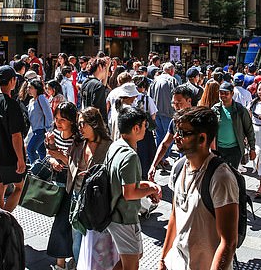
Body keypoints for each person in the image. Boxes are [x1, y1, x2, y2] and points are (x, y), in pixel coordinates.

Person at [159, 107, 239, 270]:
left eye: (182, 133)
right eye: (177, 131)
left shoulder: (221, 178)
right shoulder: (178, 167)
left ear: (202, 138)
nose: (176, 137)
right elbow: (174, 216)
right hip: (178, 263)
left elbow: (229, 242)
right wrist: (163, 259)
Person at [106, 106, 161, 270]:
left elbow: (125, 183)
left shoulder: (115, 146)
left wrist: (148, 185)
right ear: (136, 128)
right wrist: (151, 190)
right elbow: (129, 193)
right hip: (124, 216)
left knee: (134, 257)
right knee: (132, 264)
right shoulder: (130, 155)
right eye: (144, 125)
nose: (146, 129)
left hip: (117, 213)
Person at [68, 107, 113, 264]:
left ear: (94, 124)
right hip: (77, 195)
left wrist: (92, 176)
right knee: (77, 239)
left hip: (96, 199)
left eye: (83, 124)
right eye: (79, 124)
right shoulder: (79, 143)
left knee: (96, 240)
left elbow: (111, 173)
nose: (80, 128)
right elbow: (69, 161)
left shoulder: (108, 146)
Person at [0, 65, 27, 211]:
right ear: (13, 80)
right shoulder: (11, 104)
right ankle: (6, 218)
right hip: (10, 157)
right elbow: (16, 135)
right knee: (20, 187)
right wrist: (20, 159)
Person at [44, 101, 79, 270]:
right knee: (62, 220)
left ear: (71, 120)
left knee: (65, 221)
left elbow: (76, 164)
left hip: (72, 182)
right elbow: (48, 155)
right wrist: (52, 159)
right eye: (57, 118)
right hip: (58, 180)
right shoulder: (55, 134)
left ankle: (62, 262)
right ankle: (63, 260)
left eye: (62, 119)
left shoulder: (77, 139)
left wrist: (58, 155)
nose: (58, 122)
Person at [148, 85, 194, 181]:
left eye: (179, 103)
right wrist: (154, 165)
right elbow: (165, 144)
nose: (176, 106)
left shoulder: (199, 120)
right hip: (184, 167)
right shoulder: (175, 121)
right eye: (174, 103)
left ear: (189, 101)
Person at [211, 82, 257, 169]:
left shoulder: (240, 110)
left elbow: (249, 130)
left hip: (235, 150)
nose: (223, 95)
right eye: (221, 93)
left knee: (232, 175)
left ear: (232, 94)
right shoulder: (215, 110)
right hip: (218, 149)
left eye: (226, 93)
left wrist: (252, 148)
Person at [148, 62, 179, 169]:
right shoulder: (172, 80)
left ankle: (159, 158)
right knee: (169, 136)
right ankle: (163, 157)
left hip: (156, 112)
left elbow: (149, 96)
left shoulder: (155, 80)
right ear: (171, 70)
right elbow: (176, 97)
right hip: (168, 113)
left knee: (160, 135)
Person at [26, 79, 53, 163]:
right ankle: (44, 170)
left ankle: (35, 170)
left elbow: (48, 114)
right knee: (42, 153)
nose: (28, 90)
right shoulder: (31, 101)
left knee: (30, 150)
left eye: (30, 88)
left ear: (36, 89)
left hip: (41, 130)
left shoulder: (41, 98)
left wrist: (49, 129)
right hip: (34, 130)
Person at [80, 57, 110, 122]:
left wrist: (107, 67)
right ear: (99, 67)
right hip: (96, 125)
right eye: (105, 68)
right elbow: (96, 110)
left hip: (87, 121)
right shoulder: (98, 86)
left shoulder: (85, 82)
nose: (106, 71)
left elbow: (103, 85)